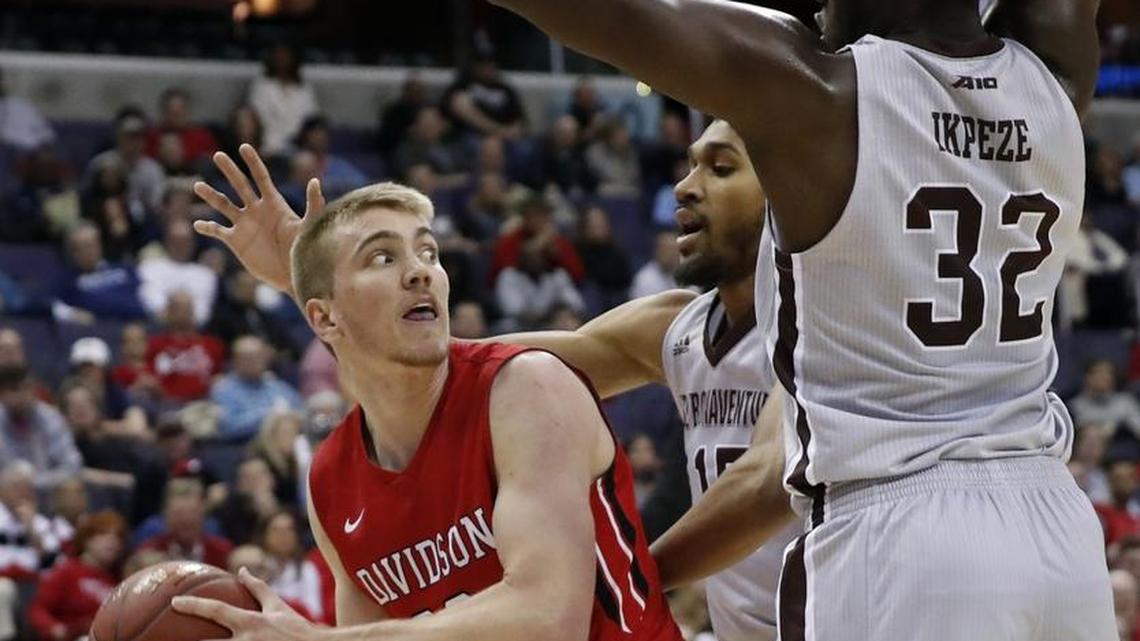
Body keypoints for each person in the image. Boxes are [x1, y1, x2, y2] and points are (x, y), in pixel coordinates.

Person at [478, 0, 1110, 638]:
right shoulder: (1054, 79)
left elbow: (620, 16)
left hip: (899, 534)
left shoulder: (821, 94)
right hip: (1060, 535)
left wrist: (632, 585)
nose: (815, 6)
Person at [176, 148, 682, 641]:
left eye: (428, 252)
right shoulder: (331, 478)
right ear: (323, 317)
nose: (421, 270)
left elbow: (549, 619)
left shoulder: (528, 388)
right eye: (382, 256)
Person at [495, 120, 796, 641]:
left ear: (790, 194)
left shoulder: (821, 326)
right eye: (691, 165)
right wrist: (376, 334)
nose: (685, 186)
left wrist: (629, 585)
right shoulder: (678, 326)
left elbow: (763, 483)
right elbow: (513, 369)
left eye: (721, 168)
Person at [27, 511, 125, 641]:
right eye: (103, 534)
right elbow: (38, 610)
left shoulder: (120, 578)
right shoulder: (67, 572)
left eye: (117, 537)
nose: (112, 541)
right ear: (86, 540)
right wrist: (55, 629)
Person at [0, 367, 81, 492]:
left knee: (72, 487)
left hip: (47, 494)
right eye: (14, 390)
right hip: (4, 496)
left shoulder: (51, 418)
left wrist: (34, 482)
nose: (22, 396)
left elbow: (72, 466)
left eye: (26, 388)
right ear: (2, 394)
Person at [209, 336, 303, 441]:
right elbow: (227, 427)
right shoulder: (224, 390)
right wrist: (267, 415)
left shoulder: (274, 384)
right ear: (236, 361)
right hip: (246, 444)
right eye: (249, 358)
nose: (257, 361)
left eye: (259, 356)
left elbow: (300, 408)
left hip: (284, 440)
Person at [248, 44, 319, 157]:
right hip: (267, 145)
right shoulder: (262, 86)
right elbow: (257, 116)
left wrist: (296, 141)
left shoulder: (303, 88)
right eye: (278, 57)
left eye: (286, 57)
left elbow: (311, 118)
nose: (282, 61)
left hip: (298, 146)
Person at [258, 510, 324, 622]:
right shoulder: (256, 564)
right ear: (264, 535)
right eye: (276, 530)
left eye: (289, 530)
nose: (283, 535)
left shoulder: (307, 569)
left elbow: (314, 611)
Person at [144, 88, 218, 165]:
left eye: (180, 110)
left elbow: (213, 161)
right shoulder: (152, 137)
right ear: (163, 111)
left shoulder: (202, 137)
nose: (176, 115)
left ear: (187, 111)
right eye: (171, 111)